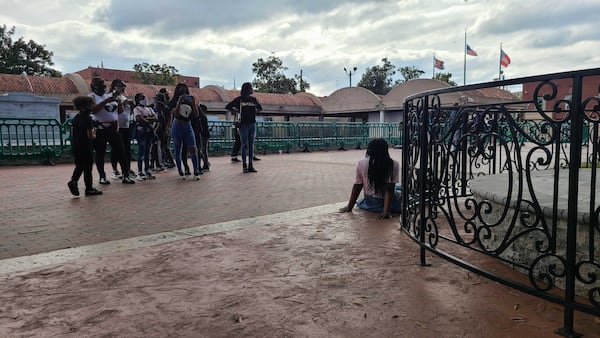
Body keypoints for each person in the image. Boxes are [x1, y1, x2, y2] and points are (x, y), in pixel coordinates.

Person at [339, 138, 402, 219]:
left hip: (369, 202)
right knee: (401, 190)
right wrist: (386, 212)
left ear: (369, 151)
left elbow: (357, 186)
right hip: (386, 203)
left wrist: (349, 207)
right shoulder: (393, 164)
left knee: (398, 187)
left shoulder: (362, 163)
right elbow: (389, 189)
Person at [88, 78, 135, 185]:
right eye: (100, 86)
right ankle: (102, 176)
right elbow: (93, 110)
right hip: (100, 127)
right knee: (100, 153)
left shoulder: (109, 96)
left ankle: (125, 175)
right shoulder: (91, 97)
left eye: (104, 85)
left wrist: (118, 102)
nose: (103, 88)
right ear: (94, 87)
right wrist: (105, 102)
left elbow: (120, 111)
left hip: (113, 127)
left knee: (121, 151)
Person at [67, 96, 102, 196]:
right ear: (84, 106)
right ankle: (89, 188)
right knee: (88, 168)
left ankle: (73, 181)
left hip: (77, 145)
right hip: (86, 146)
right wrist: (95, 133)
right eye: (90, 105)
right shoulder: (88, 119)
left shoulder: (76, 118)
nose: (92, 107)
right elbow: (90, 135)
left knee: (79, 166)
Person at [225, 82, 262, 173]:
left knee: (250, 145)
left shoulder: (253, 99)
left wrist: (254, 112)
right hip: (243, 124)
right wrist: (236, 111)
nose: (252, 89)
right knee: (244, 144)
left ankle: (250, 165)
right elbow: (228, 106)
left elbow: (260, 108)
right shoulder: (239, 100)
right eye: (250, 88)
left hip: (252, 123)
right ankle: (245, 165)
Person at [168, 83, 201, 180]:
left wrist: (194, 102)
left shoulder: (190, 101)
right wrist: (179, 102)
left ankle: (196, 170)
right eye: (181, 91)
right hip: (177, 124)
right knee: (178, 148)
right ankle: (180, 171)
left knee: (192, 147)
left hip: (188, 125)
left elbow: (196, 115)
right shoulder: (174, 101)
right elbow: (176, 113)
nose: (183, 92)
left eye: (185, 90)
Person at [133, 93, 158, 180]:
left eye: (145, 97)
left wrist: (145, 119)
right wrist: (148, 119)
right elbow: (138, 119)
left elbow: (155, 118)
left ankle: (147, 170)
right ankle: (140, 172)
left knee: (147, 151)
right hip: (141, 132)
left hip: (149, 132)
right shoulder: (136, 109)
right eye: (142, 98)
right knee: (141, 152)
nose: (145, 99)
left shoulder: (149, 108)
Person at [111, 96, 134, 179]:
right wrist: (120, 103)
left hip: (126, 128)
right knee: (116, 150)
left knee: (127, 150)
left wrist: (131, 103)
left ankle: (127, 168)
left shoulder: (128, 107)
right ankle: (115, 170)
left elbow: (131, 112)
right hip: (118, 128)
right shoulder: (115, 104)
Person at [198, 104, 211, 171]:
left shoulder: (201, 117)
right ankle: (206, 163)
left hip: (203, 135)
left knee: (202, 150)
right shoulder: (204, 117)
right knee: (203, 150)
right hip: (205, 135)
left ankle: (206, 164)